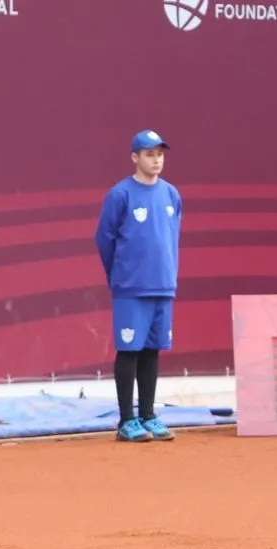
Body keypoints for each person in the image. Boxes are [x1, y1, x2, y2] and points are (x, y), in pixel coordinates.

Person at [94, 130, 183, 443]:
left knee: (152, 350)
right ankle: (126, 420)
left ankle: (148, 415)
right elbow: (104, 239)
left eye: (159, 154)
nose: (156, 160)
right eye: (149, 154)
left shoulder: (172, 194)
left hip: (162, 285)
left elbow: (172, 239)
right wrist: (118, 274)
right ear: (135, 157)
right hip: (131, 286)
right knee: (129, 350)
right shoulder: (121, 194)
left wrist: (170, 274)